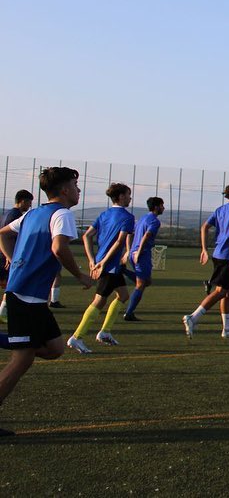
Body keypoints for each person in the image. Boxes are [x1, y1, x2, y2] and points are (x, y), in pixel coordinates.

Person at [0, 167, 93, 437]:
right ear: (64, 190)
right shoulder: (62, 214)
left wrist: (13, 260)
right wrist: (80, 275)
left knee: (55, 348)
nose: (78, 190)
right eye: (75, 185)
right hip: (26, 296)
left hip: (29, 295)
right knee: (22, 359)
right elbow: (58, 248)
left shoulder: (33, 213)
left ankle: (14, 340)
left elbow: (2, 234)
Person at [67, 183, 135, 352]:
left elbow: (87, 236)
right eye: (128, 194)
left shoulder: (104, 214)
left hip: (107, 264)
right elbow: (119, 241)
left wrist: (92, 259)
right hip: (108, 265)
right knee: (99, 300)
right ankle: (77, 337)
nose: (130, 197)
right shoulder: (127, 217)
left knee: (123, 295)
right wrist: (103, 262)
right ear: (121, 196)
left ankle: (105, 332)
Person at [182, 182, 229, 339]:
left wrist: (204, 249)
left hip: (218, 254)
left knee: (228, 291)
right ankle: (193, 318)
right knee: (221, 291)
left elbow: (204, 227)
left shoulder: (220, 209)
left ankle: (227, 328)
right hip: (228, 256)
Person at [123, 197, 164, 321]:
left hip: (135, 253)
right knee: (141, 284)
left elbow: (129, 234)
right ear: (156, 207)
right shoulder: (155, 221)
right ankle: (129, 313)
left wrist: (129, 250)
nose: (163, 208)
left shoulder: (142, 218)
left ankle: (122, 270)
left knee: (147, 282)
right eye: (162, 205)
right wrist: (139, 252)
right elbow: (146, 236)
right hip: (142, 254)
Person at [0, 190, 34, 323]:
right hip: (9, 257)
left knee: (11, 285)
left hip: (6, 255)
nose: (30, 205)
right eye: (29, 202)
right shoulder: (16, 215)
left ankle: (4, 311)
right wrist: (9, 257)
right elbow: (7, 237)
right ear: (23, 201)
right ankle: (3, 312)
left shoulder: (7, 213)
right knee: (13, 285)